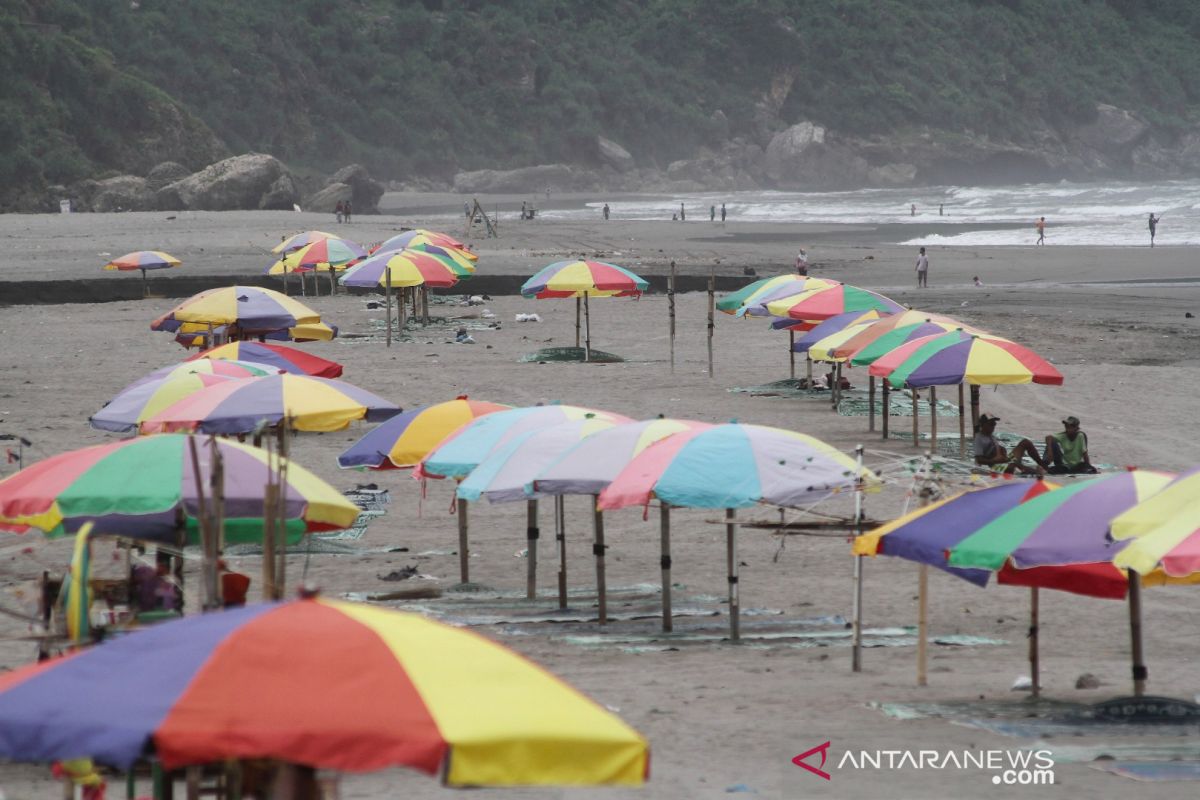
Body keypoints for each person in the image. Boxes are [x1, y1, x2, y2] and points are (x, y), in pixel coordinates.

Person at [973, 414, 1046, 475]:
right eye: (991, 424)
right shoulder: (979, 439)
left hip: (1004, 460)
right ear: (983, 425)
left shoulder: (991, 436)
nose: (993, 426)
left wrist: (1003, 451)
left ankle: (1043, 465)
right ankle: (1037, 472)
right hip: (995, 466)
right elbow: (979, 460)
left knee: (1025, 442)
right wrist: (995, 460)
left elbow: (998, 449)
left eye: (994, 424)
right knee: (1013, 465)